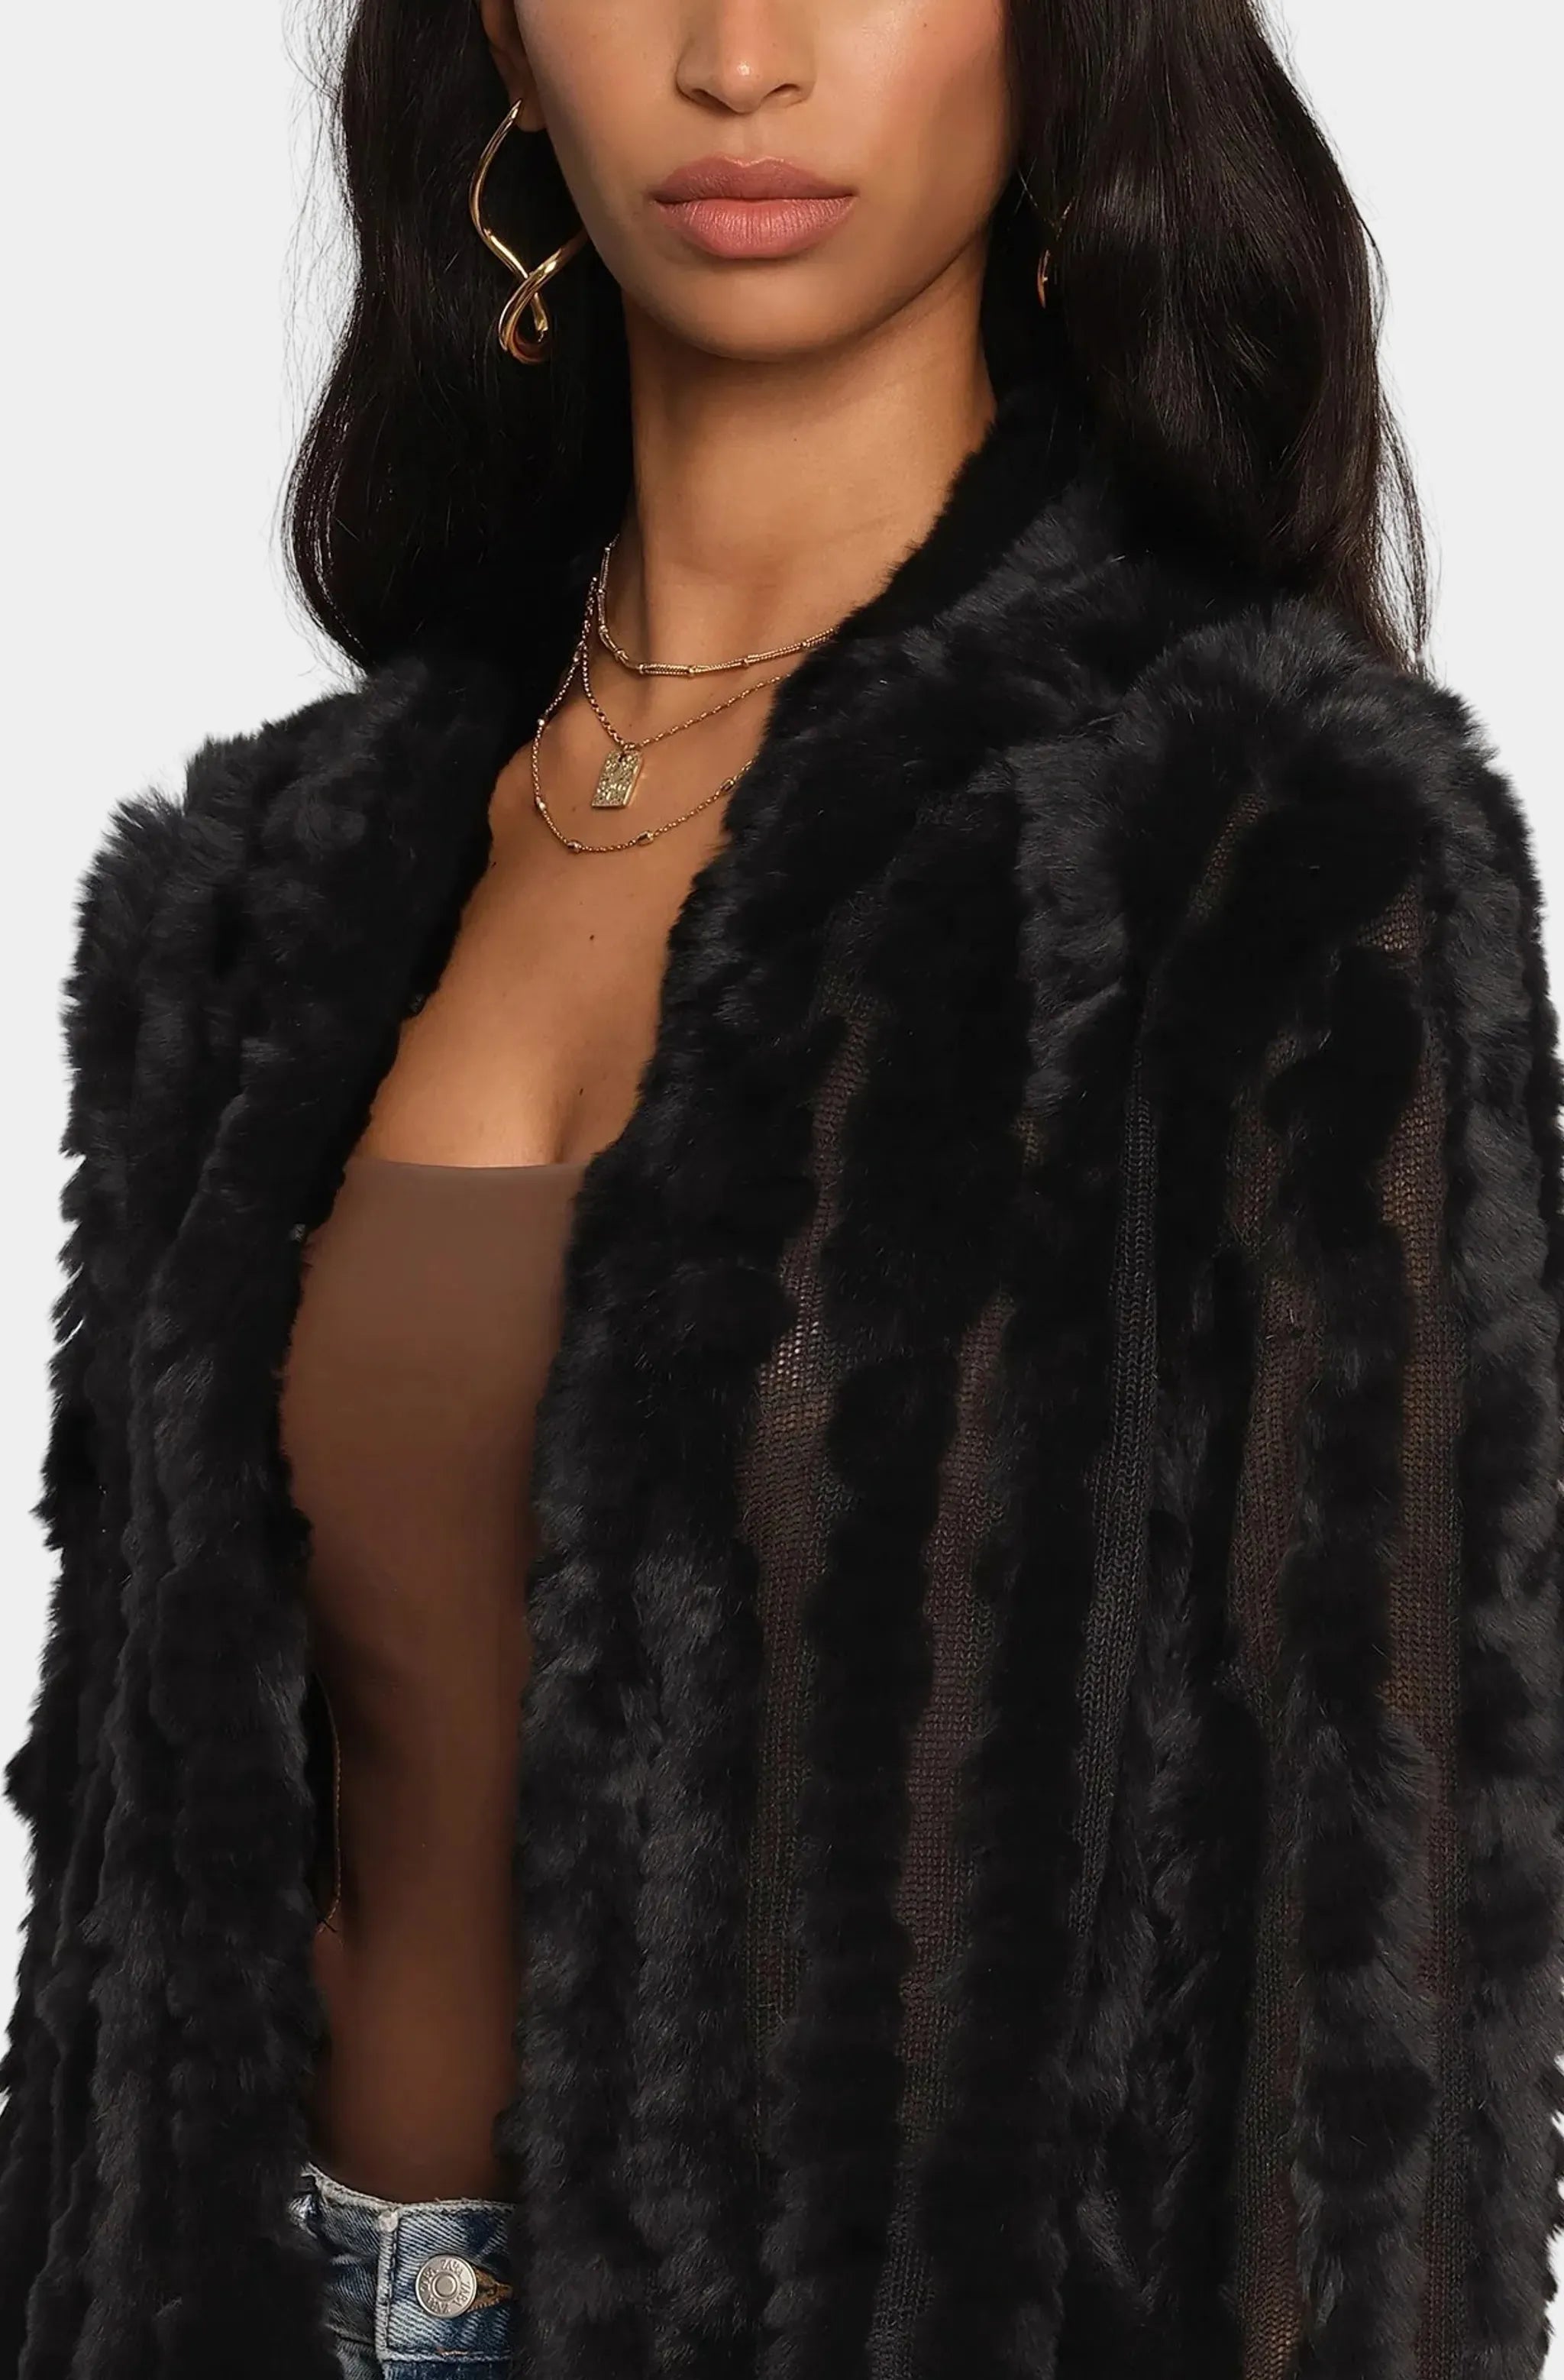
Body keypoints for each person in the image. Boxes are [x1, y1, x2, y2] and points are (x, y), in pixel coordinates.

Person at [2, 2, 1561, 2377]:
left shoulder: (1254, 838)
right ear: (504, 33)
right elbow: (119, 1896)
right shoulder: (266, 887)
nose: (741, 57)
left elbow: (1384, 2010)